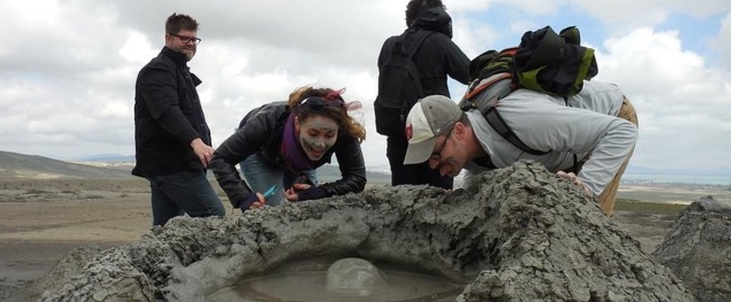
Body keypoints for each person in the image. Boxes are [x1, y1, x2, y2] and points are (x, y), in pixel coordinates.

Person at [403, 79, 639, 216]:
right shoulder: (472, 151)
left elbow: (620, 132)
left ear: (458, 131)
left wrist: (586, 185)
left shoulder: (522, 119)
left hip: (612, 119)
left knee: (585, 215)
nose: (434, 165)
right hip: (558, 149)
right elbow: (480, 175)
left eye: (435, 153)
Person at [132, 13, 225, 226]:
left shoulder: (179, 70)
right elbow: (166, 111)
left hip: (172, 164)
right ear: (168, 38)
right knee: (213, 215)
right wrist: (196, 142)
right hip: (173, 164)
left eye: (194, 40)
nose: (191, 44)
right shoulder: (158, 70)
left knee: (166, 227)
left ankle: (158, 259)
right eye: (185, 39)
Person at [210, 86, 367, 211]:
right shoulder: (266, 121)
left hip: (302, 161)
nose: (320, 143)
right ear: (298, 124)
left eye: (329, 135)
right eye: (313, 133)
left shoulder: (344, 131)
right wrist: (242, 196)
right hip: (261, 155)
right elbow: (220, 158)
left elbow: (357, 178)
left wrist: (321, 192)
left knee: (310, 205)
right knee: (272, 210)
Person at [376, 0, 470, 189]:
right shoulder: (439, 41)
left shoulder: (389, 46)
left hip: (398, 137)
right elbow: (472, 74)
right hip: (435, 139)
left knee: (403, 201)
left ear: (409, 18)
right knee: (439, 202)